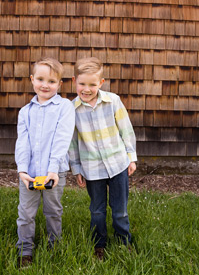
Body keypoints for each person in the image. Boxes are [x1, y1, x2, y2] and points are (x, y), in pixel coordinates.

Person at [68, 57, 138, 260]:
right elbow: (72, 142)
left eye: (92, 84)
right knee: (97, 210)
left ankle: (124, 241)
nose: (86, 89)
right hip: (92, 168)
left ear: (101, 83)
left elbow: (126, 130)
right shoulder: (71, 109)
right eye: (82, 84)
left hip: (117, 164)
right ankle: (99, 244)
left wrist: (130, 157)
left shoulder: (113, 101)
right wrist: (77, 168)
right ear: (74, 81)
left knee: (120, 210)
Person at [14, 57, 75, 268]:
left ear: (59, 84)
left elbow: (62, 139)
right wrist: (22, 171)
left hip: (55, 173)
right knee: (26, 214)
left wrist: (53, 170)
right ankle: (25, 251)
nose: (45, 85)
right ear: (32, 79)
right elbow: (22, 143)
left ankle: (54, 246)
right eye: (40, 79)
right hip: (30, 173)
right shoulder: (25, 112)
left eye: (51, 81)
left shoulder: (64, 107)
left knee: (53, 211)